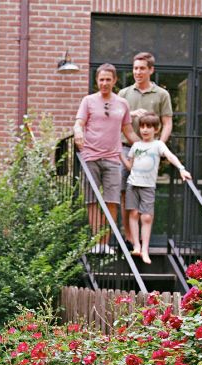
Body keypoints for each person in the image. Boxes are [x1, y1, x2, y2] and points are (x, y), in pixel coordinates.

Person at [74, 63, 138, 252]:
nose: (104, 83)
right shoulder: (88, 101)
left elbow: (128, 131)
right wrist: (78, 131)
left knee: (112, 201)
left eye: (108, 79)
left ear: (114, 81)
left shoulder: (122, 103)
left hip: (113, 159)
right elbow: (79, 123)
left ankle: (104, 243)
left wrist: (144, 147)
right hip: (90, 156)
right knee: (92, 201)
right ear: (97, 81)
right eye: (101, 79)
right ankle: (95, 244)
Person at [121, 112, 191, 264]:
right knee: (132, 214)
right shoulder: (136, 146)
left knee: (146, 217)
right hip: (132, 184)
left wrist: (181, 168)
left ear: (156, 129)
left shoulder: (158, 145)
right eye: (142, 127)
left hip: (148, 186)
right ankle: (136, 246)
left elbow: (170, 156)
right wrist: (119, 155)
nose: (145, 130)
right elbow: (130, 166)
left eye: (149, 127)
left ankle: (145, 249)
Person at [119, 52, 174, 240]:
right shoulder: (124, 94)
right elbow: (117, 121)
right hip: (127, 149)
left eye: (142, 68)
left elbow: (167, 123)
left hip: (149, 153)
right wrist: (132, 113)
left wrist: (160, 146)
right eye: (135, 68)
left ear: (151, 70)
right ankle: (129, 238)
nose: (138, 72)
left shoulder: (161, 94)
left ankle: (145, 239)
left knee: (146, 195)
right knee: (125, 194)